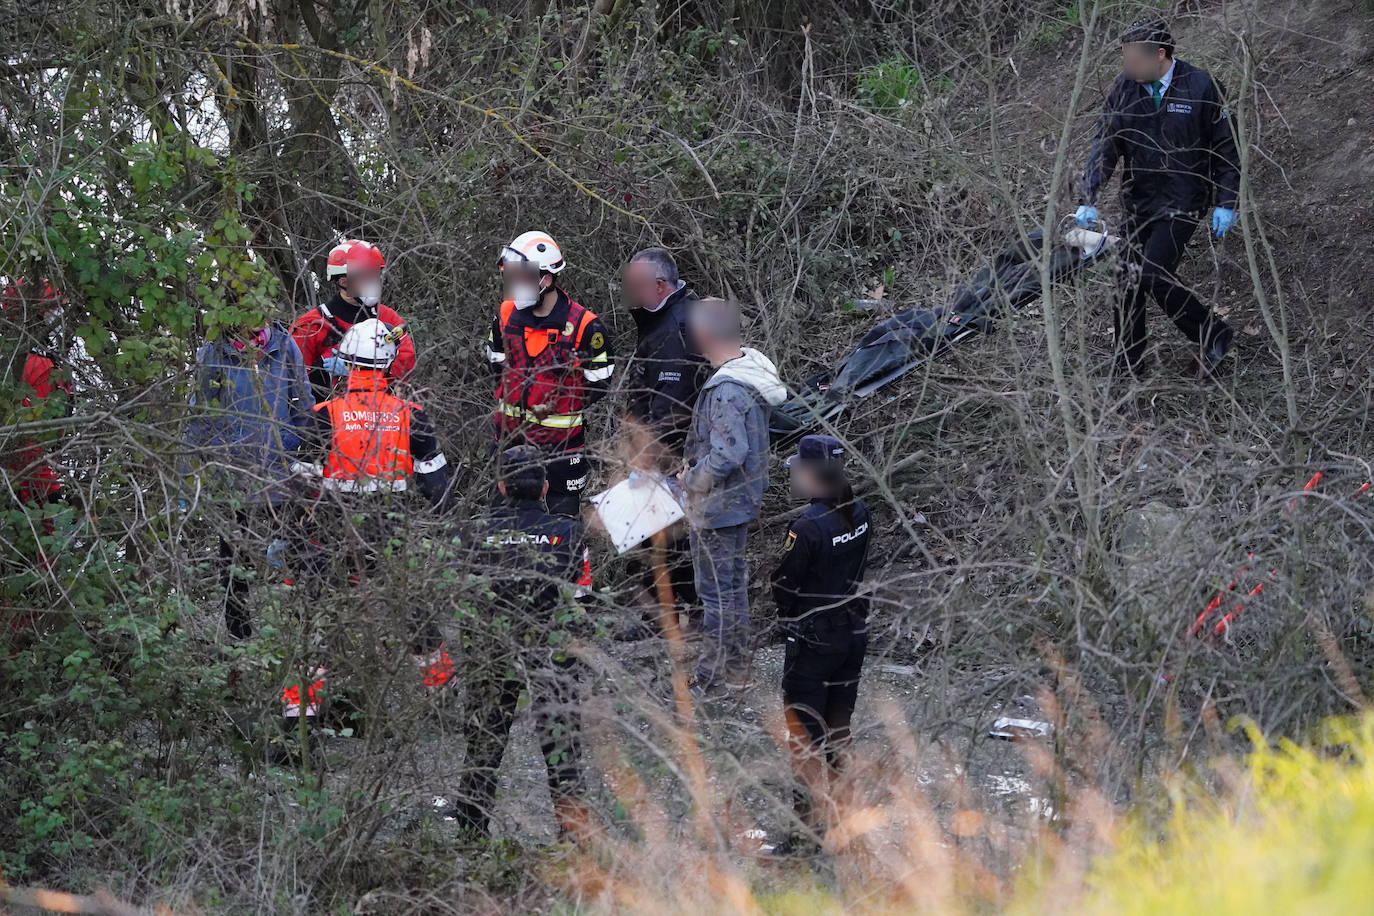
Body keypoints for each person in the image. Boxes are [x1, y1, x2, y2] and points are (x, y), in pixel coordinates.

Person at [296, 317, 454, 708]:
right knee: (415, 615)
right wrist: (452, 530)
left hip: (335, 530)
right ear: (388, 365)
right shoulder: (410, 414)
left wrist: (296, 533)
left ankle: (299, 713)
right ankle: (444, 699)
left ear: (346, 364)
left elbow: (299, 483)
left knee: (317, 622)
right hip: (391, 531)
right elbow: (439, 488)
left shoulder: (324, 414)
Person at [1077, 18, 1240, 379]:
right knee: (1124, 277)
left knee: (1153, 276)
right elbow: (1106, 143)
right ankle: (1128, 366)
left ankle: (1213, 333)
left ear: (1160, 55)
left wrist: (1227, 201)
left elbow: (1228, 149)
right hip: (1139, 200)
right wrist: (1088, 194)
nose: (1127, 67)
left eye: (1134, 60)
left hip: (1184, 199)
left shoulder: (1202, 87)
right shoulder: (1124, 88)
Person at [454, 446, 591, 838]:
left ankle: (470, 832)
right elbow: (581, 597)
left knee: (484, 743)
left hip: (491, 647)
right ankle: (573, 835)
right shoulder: (569, 532)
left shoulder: (473, 533)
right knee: (562, 743)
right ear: (546, 487)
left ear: (500, 486)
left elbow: (463, 597)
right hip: (551, 646)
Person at [680, 298, 787, 699]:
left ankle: (712, 680)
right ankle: (738, 669)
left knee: (717, 595)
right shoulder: (751, 371)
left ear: (705, 334)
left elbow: (728, 452)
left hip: (718, 509)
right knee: (733, 589)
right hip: (739, 503)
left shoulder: (726, 388)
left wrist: (692, 478)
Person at [770, 435, 872, 854]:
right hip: (852, 634)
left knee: (804, 738)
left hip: (815, 641)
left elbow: (784, 585)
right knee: (838, 728)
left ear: (811, 473)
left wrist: (790, 617)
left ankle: (805, 836)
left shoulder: (808, 526)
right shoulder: (858, 510)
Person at [183, 319, 314, 640]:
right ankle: (239, 635)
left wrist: (305, 451)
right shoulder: (214, 352)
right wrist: (191, 477)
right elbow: (200, 414)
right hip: (233, 472)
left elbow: (303, 402)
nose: (257, 319)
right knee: (234, 556)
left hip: (281, 464)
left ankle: (299, 632)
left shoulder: (283, 345)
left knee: (297, 549)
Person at [486, 231, 614, 518]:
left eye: (523, 277)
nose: (516, 284)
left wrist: (558, 403)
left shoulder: (585, 326)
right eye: (514, 276)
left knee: (562, 525)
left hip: (561, 448)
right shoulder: (505, 316)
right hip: (509, 442)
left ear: (546, 278)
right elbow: (496, 368)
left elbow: (599, 385)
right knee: (502, 525)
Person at [618, 248, 710, 635]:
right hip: (669, 451)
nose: (629, 293)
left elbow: (672, 403)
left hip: (669, 453)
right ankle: (684, 611)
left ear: (659, 286)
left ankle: (662, 616)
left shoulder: (674, 329)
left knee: (657, 538)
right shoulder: (670, 318)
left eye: (636, 286)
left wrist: (648, 453)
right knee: (669, 538)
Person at [291, 239, 416, 401]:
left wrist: (359, 373)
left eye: (376, 275)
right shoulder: (312, 325)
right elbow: (291, 379)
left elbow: (406, 366)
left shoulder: (388, 319)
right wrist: (320, 372)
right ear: (344, 282)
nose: (374, 283)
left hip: (381, 414)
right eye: (366, 276)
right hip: (328, 419)